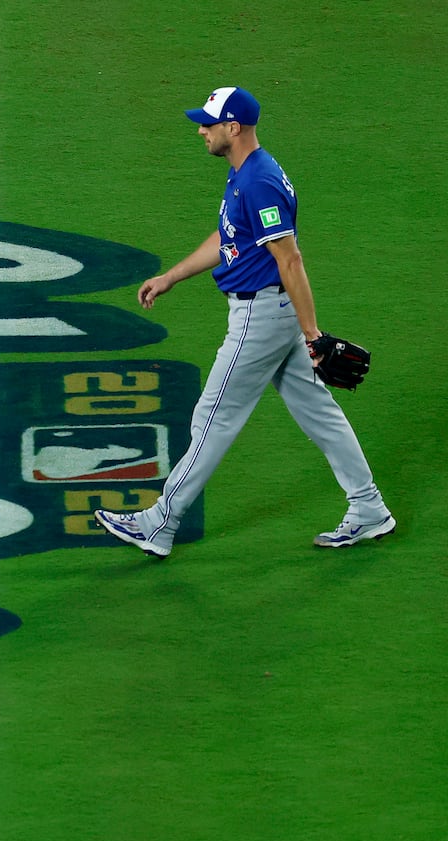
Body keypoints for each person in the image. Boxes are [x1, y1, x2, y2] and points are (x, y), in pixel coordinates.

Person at [94, 86, 394, 558]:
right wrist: (172, 276)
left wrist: (312, 334)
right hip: (272, 312)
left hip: (261, 317)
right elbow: (230, 236)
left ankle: (159, 523)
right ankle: (369, 508)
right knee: (319, 412)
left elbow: (290, 260)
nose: (201, 131)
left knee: (213, 416)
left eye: (208, 124)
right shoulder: (245, 174)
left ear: (233, 128)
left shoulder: (259, 182)